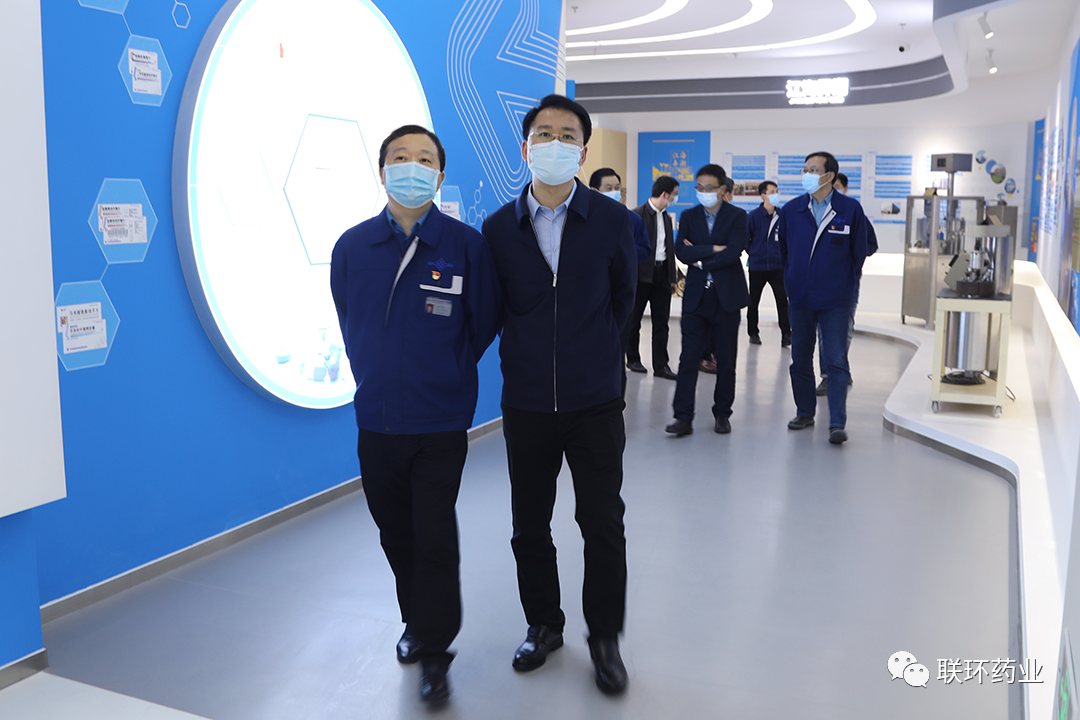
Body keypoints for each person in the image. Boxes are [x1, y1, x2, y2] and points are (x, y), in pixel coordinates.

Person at [330, 125, 501, 703]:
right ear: (382, 172)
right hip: (376, 418)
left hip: (439, 420)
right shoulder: (353, 247)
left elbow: (482, 322)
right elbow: (349, 319)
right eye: (400, 157)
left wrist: (443, 370)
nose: (412, 167)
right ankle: (416, 619)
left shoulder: (465, 245)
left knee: (433, 537)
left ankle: (435, 651)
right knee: (395, 532)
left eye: (424, 159)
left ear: (440, 175)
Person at [481, 94, 636, 696]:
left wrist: (590, 354)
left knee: (602, 523)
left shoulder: (613, 221)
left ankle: (605, 639)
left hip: (594, 402)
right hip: (526, 404)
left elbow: (623, 300)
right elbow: (496, 310)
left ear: (583, 150)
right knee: (529, 524)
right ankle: (544, 624)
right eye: (543, 134)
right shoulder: (499, 228)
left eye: (567, 135)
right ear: (526, 148)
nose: (554, 143)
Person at [779, 152, 869, 445]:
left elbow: (859, 253)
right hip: (800, 297)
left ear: (829, 176)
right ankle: (805, 412)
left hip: (835, 300)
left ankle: (837, 422)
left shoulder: (850, 209)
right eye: (805, 169)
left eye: (813, 170)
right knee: (800, 359)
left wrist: (842, 282)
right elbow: (785, 252)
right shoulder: (792, 210)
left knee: (835, 362)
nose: (806, 174)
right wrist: (793, 279)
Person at [665, 164, 749, 437]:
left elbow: (734, 252)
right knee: (689, 358)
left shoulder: (737, 216)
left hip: (726, 298)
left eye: (709, 187)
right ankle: (683, 417)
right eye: (699, 187)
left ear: (722, 189)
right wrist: (713, 248)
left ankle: (722, 414)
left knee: (726, 359)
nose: (703, 192)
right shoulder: (689, 216)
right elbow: (681, 252)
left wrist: (700, 258)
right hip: (696, 298)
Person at [815, 172, 878, 395]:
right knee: (824, 332)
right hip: (819, 284)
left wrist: (849, 263)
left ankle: (837, 370)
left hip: (847, 284)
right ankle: (829, 375)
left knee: (843, 329)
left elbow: (870, 245)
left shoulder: (853, 213)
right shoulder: (814, 215)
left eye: (837, 187)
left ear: (844, 189)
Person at [625, 175, 680, 379]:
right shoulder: (636, 215)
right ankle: (633, 359)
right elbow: (629, 250)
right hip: (640, 276)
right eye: (674, 194)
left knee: (662, 323)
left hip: (662, 276)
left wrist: (672, 278)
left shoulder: (666, 217)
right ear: (664, 194)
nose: (675, 198)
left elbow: (669, 250)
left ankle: (661, 365)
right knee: (634, 321)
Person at [745, 181, 791, 347]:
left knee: (782, 300)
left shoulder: (783, 216)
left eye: (777, 191)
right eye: (772, 192)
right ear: (763, 195)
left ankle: (786, 334)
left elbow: (788, 239)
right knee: (753, 301)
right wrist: (755, 253)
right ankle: (753, 332)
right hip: (757, 266)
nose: (776, 194)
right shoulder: (753, 216)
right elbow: (746, 240)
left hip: (778, 267)